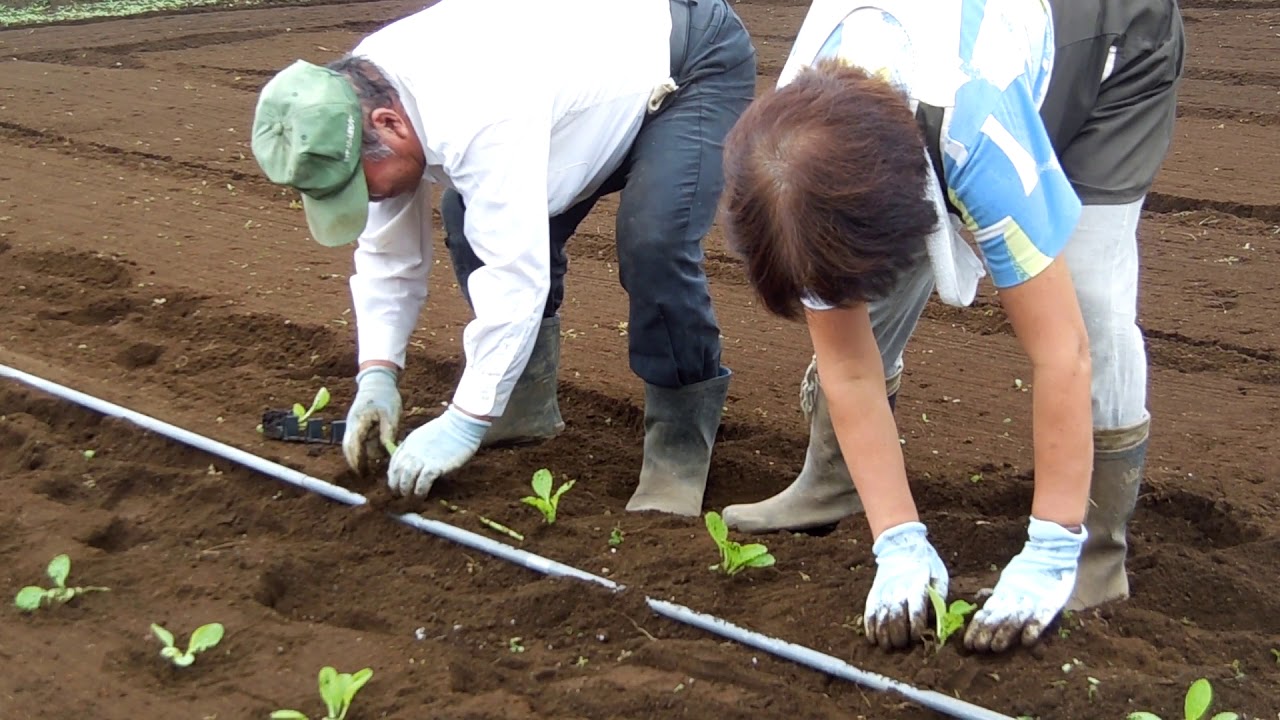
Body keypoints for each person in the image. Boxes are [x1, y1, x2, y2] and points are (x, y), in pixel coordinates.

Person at [717, 0, 1184, 653]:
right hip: (950, 74)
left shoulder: (976, 131)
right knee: (849, 276)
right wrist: (898, 541)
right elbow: (848, 364)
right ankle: (839, 483)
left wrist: (1050, 545)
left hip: (1108, 41)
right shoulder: (788, 152)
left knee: (1091, 300)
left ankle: (1093, 558)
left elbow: (1063, 352)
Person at [248, 0, 757, 515]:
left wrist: (465, 417)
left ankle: (679, 438)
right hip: (581, 95)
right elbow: (388, 257)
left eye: (361, 187)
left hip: (687, 63)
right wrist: (377, 374)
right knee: (469, 222)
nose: (368, 200)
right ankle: (522, 403)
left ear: (389, 125)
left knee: (653, 241)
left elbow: (517, 276)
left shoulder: (473, 105)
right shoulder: (352, 99)